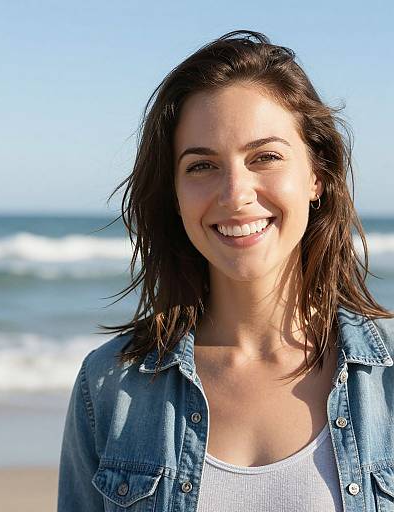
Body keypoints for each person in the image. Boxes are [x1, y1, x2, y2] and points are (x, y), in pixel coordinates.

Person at [57, 30, 394, 511]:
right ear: (174, 193)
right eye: (201, 166)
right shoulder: (112, 384)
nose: (236, 193)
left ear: (317, 175)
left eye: (265, 157)